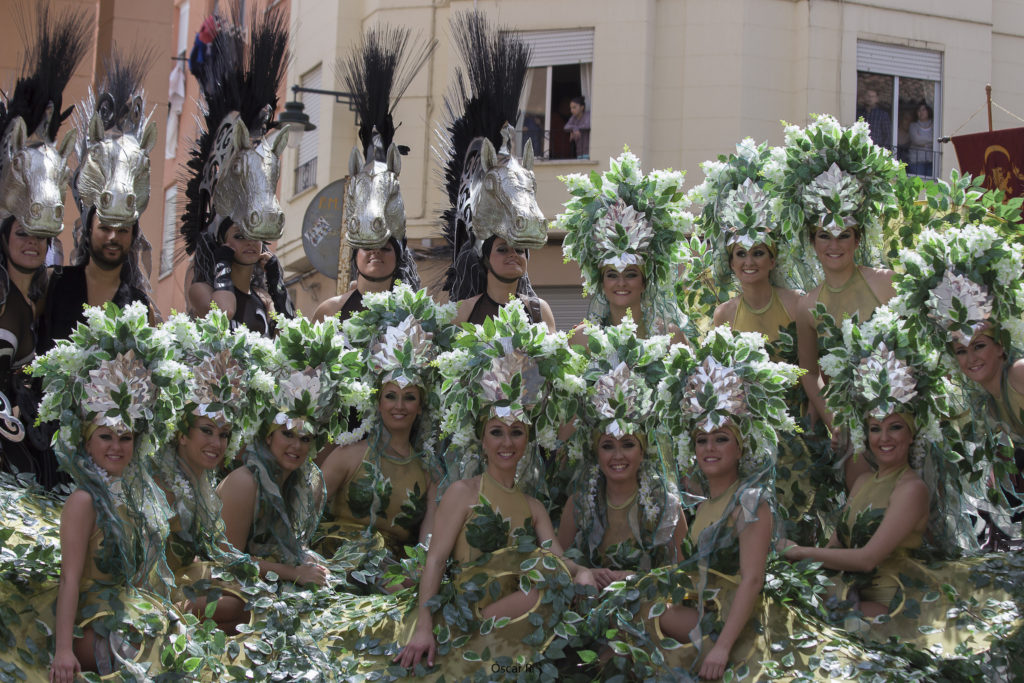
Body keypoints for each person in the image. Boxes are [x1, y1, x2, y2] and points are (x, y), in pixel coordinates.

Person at [778, 312, 1021, 654]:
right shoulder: (862, 481)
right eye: (875, 429)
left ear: (912, 433)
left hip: (891, 608)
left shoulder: (911, 488)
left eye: (895, 427)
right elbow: (834, 551)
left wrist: (798, 551)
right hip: (848, 595)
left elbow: (866, 559)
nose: (884, 438)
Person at [395, 332, 596, 673]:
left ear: (528, 440)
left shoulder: (533, 507)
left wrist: (586, 573)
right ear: (483, 440)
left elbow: (560, 564)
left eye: (516, 432)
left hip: (514, 621)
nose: (507, 442)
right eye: (497, 432)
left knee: (553, 578)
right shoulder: (463, 492)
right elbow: (435, 561)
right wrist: (423, 627)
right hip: (465, 615)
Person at [641, 327, 802, 681]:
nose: (710, 448)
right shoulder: (705, 505)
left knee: (641, 614)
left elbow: (753, 579)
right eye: (702, 440)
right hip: (701, 611)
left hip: (731, 623)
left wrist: (722, 648)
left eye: (721, 438)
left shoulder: (750, 500)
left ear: (740, 447)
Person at [29, 303, 180, 680]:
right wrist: (63, 651)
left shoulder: (137, 492)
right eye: (106, 436)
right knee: (155, 655)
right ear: (87, 441)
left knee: (181, 642)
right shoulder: (84, 501)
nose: (116, 446)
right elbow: (69, 579)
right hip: (94, 624)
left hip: (134, 615)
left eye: (125, 437)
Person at [893, 223, 1024, 538]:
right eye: (961, 351)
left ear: (1001, 346)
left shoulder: (1019, 372)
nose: (971, 358)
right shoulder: (980, 397)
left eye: (979, 346)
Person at [317, 285, 455, 580]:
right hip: (332, 567)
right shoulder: (348, 456)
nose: (399, 406)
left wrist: (416, 575)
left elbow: (426, 544)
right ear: (377, 402)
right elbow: (305, 511)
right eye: (391, 396)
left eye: (409, 397)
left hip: (390, 578)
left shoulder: (430, 472)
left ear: (421, 406)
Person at [217, 316, 360, 585]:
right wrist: (294, 573)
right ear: (268, 436)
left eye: (305, 439)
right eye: (288, 434)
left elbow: (285, 550)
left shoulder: (305, 482)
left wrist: (304, 559)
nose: (296, 446)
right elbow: (228, 560)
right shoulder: (244, 482)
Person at [181, 6, 294, 335]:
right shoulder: (200, 290)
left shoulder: (263, 298)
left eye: (255, 236)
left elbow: (293, 335)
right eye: (239, 235)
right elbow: (224, 312)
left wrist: (275, 280)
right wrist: (220, 262)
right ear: (221, 238)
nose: (249, 243)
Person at [38, 52, 160, 354]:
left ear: (133, 237)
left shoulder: (139, 305)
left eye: (122, 230)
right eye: (105, 227)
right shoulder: (55, 283)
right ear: (89, 227)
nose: (113, 237)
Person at [310, 25, 430, 323]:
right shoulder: (329, 311)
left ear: (399, 253)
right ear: (355, 253)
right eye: (367, 246)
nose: (376, 253)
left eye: (385, 247)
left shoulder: (419, 316)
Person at [557, 356, 687, 584]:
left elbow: (683, 573)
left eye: (628, 444)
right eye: (608, 446)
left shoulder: (667, 505)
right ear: (596, 452)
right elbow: (558, 565)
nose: (618, 456)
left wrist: (637, 579)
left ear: (643, 450)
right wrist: (585, 573)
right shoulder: (578, 503)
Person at [559, 149, 691, 348]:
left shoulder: (670, 336)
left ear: (645, 282)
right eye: (612, 275)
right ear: (601, 282)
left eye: (630, 274)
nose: (621, 282)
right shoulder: (581, 338)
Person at [451, 235, 556, 332]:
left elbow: (554, 350)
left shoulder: (539, 309)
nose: (514, 254)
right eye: (502, 250)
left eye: (519, 250)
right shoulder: (462, 310)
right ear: (485, 259)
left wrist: (571, 340)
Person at [907, 102, 935, 176]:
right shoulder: (913, 126)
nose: (921, 112)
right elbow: (916, 140)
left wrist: (924, 143)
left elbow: (936, 140)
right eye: (919, 110)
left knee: (930, 185)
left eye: (923, 110)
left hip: (931, 160)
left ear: (928, 111)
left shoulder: (935, 125)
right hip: (916, 161)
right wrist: (930, 143)